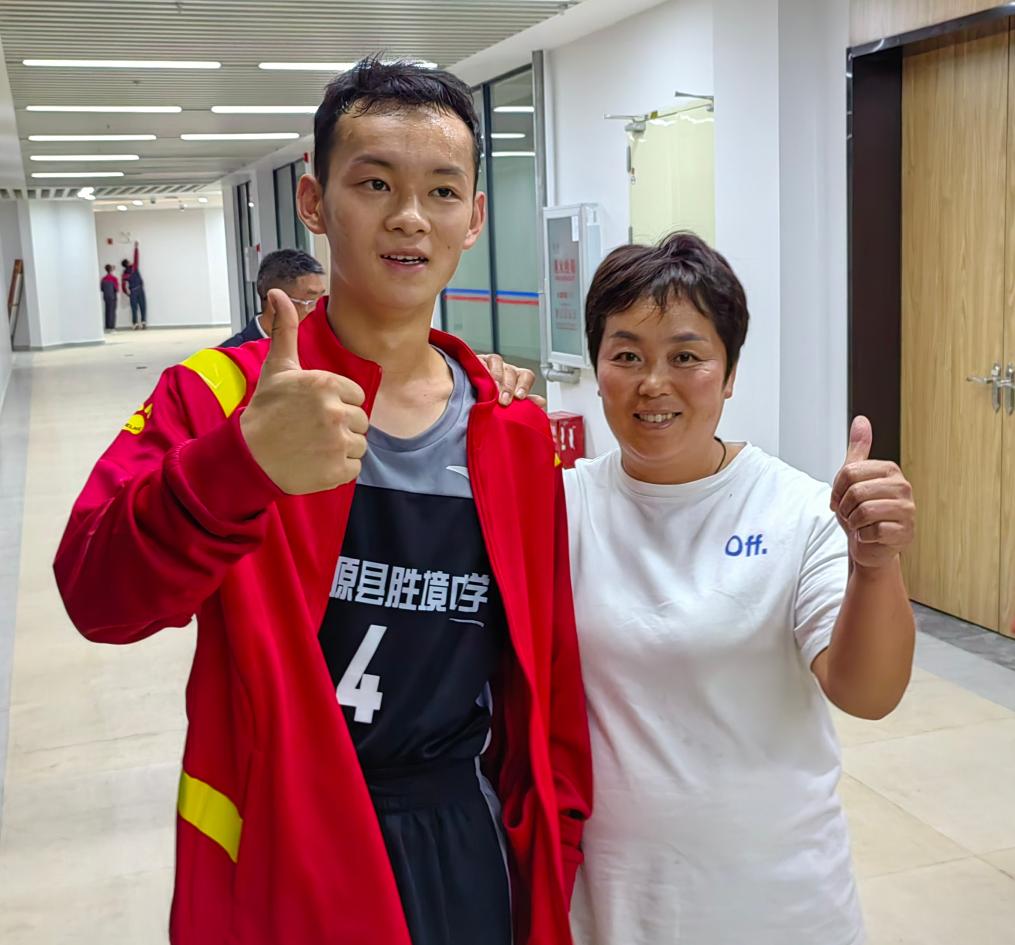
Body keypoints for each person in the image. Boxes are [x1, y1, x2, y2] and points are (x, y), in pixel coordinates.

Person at [54, 58, 591, 945]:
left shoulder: (511, 432)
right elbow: (96, 596)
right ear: (313, 200)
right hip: (285, 842)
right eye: (373, 183)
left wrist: (554, 846)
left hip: (464, 840)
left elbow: (549, 674)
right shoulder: (221, 399)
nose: (409, 216)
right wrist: (238, 466)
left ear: (473, 218)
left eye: (441, 191)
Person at [493, 231, 916, 945]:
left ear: (729, 374)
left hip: (777, 907)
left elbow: (867, 693)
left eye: (685, 356)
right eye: (627, 355)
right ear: (597, 368)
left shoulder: (795, 510)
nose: (653, 383)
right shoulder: (558, 506)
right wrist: (464, 400)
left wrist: (875, 564)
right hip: (608, 906)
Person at [221, 248, 326, 348]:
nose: (319, 310)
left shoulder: (319, 344)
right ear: (275, 303)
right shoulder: (230, 356)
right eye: (310, 301)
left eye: (320, 299)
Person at [121, 258, 147, 329]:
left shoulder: (124, 274)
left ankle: (135, 324)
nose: (130, 262)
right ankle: (143, 322)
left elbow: (123, 286)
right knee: (142, 306)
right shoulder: (134, 267)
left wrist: (127, 293)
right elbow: (136, 257)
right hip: (139, 289)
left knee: (134, 308)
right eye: (129, 261)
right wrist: (136, 250)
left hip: (133, 291)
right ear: (127, 263)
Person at [100, 264, 119, 331]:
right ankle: (112, 327)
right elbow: (116, 289)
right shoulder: (114, 278)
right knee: (112, 312)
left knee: (107, 311)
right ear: (111, 270)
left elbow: (102, 289)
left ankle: (107, 327)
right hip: (112, 297)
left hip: (106, 297)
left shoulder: (103, 279)